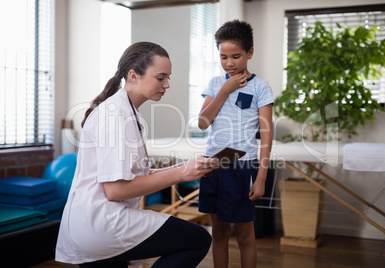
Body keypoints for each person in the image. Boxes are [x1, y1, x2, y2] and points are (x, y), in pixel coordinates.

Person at [55, 42, 218, 268]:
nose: (167, 84)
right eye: (160, 78)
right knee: (198, 239)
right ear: (134, 75)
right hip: (101, 222)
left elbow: (136, 174)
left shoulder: (130, 113)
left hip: (99, 221)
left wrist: (189, 168)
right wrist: (182, 173)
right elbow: (116, 189)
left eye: (168, 77)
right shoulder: (115, 115)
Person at [198, 20, 274, 268]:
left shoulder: (261, 87)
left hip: (241, 165)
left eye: (236, 56)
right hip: (213, 164)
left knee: (244, 236)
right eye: (223, 57)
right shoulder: (214, 84)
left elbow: (266, 134)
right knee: (218, 234)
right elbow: (202, 122)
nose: (229, 63)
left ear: (250, 53)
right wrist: (225, 90)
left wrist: (261, 177)